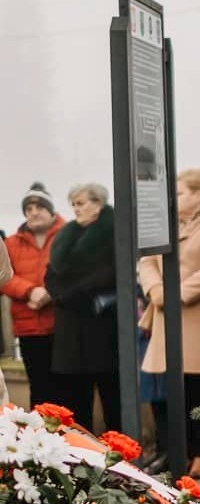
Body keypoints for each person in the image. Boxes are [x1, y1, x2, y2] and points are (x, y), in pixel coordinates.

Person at [138, 169, 200, 478]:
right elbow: (146, 260)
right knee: (166, 390)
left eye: (179, 193)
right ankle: (173, 453)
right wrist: (155, 289)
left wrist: (174, 294)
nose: (173, 199)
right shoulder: (162, 227)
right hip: (165, 317)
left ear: (199, 194)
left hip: (199, 317)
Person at [44, 183, 122, 432]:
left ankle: (118, 447)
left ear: (98, 203)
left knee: (112, 396)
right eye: (73, 205)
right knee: (76, 397)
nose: (76, 209)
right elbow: (51, 273)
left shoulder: (114, 230)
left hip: (101, 324)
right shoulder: (66, 234)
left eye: (81, 203)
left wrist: (71, 293)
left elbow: (111, 273)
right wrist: (59, 294)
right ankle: (83, 447)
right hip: (70, 326)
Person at [3, 184, 67, 407]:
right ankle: (39, 430)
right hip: (29, 328)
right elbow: (4, 277)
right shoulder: (11, 243)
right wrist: (30, 290)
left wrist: (49, 292)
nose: (33, 212)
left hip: (62, 326)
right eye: (28, 209)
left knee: (67, 389)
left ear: (51, 210)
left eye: (39, 207)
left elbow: (77, 270)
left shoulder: (68, 235)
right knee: (39, 388)